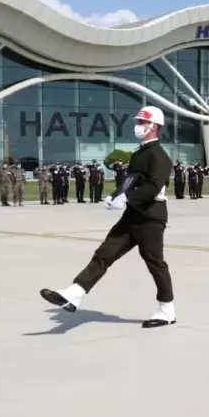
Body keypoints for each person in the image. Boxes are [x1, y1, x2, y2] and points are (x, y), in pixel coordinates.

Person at [40, 107, 176, 328]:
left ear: (154, 126)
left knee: (155, 263)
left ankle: (167, 309)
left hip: (151, 217)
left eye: (143, 122)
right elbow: (130, 180)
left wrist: (127, 198)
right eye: (139, 121)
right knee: (104, 254)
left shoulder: (159, 156)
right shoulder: (139, 153)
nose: (138, 125)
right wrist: (116, 196)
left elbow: (153, 187)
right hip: (132, 215)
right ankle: (75, 293)